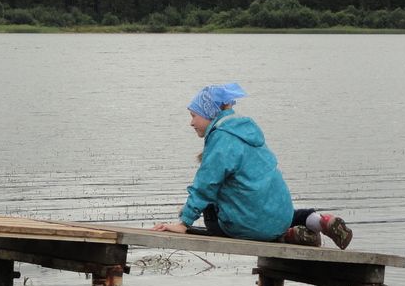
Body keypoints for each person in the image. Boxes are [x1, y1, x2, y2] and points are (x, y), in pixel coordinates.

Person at [151, 82, 352, 248]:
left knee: (212, 207)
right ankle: (318, 222)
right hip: (280, 216)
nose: (191, 123)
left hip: (249, 226)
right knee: (270, 213)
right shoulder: (248, 134)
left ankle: (286, 238)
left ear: (210, 113)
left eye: (193, 116)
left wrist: (184, 222)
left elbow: (205, 185)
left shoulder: (221, 139)